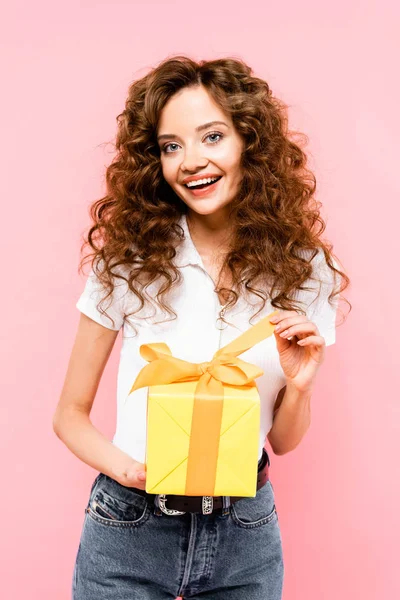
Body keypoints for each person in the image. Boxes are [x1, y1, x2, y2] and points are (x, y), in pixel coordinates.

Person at [53, 55, 350, 600]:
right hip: (129, 526)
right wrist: (129, 473)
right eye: (171, 146)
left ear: (249, 144)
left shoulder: (304, 269)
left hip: (246, 534)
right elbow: (68, 415)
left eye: (212, 137)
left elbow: (283, 442)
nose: (191, 161)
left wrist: (301, 385)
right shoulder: (128, 261)